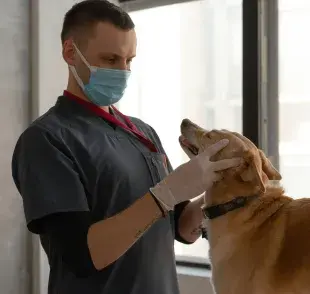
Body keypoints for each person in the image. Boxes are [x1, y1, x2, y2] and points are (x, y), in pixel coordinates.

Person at [11, 1, 241, 293]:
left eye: (129, 60)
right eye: (110, 59)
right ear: (70, 52)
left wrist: (214, 192)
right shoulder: (47, 139)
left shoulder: (142, 133)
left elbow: (180, 228)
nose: (123, 71)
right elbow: (82, 256)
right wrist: (166, 193)